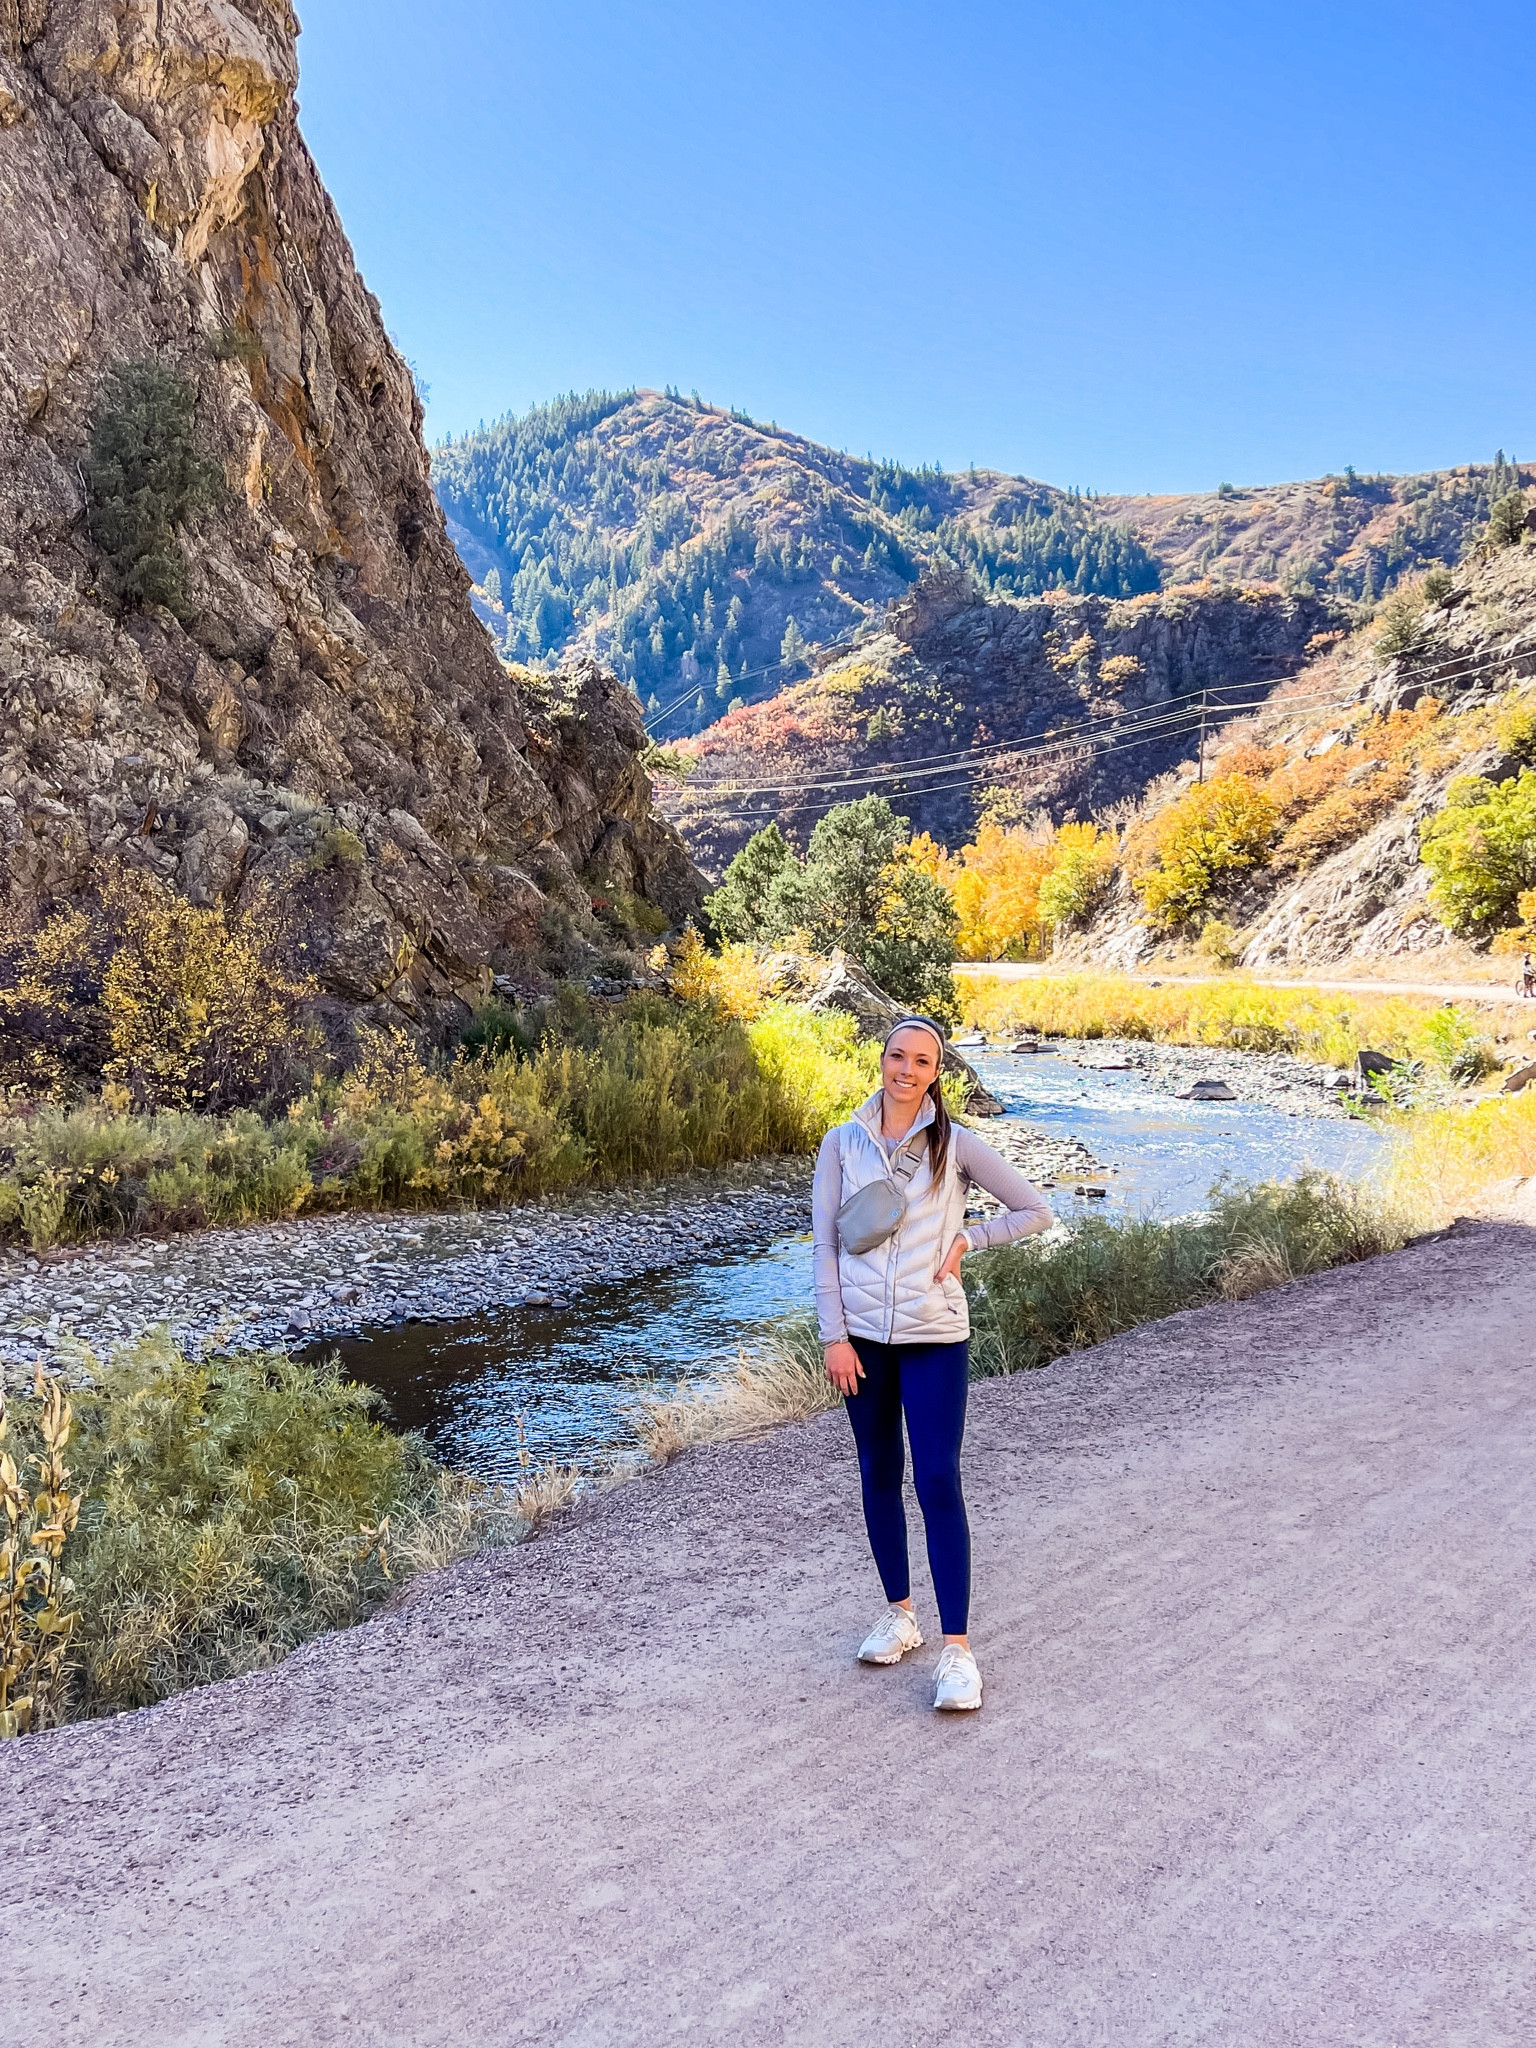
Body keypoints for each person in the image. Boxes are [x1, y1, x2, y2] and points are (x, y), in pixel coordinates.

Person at [813, 1016, 1055, 1712]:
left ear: (937, 1073)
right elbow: (825, 1246)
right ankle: (899, 1613)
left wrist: (969, 1241)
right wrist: (834, 1336)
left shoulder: (957, 1146)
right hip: (861, 1341)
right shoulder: (841, 1144)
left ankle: (958, 1652)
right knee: (878, 1473)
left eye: (922, 1061)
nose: (907, 1070)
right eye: (898, 1056)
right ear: (881, 1060)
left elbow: (1035, 1210)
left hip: (935, 1336)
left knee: (940, 1479)